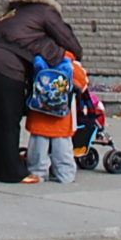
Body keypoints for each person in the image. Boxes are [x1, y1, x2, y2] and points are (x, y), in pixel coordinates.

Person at [0, 0, 81, 183]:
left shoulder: (11, 14)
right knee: (9, 120)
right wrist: (76, 56)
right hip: (6, 67)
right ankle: (13, 172)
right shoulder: (45, 11)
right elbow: (66, 38)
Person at [21, 46, 86, 183]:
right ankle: (65, 174)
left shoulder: (37, 58)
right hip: (61, 114)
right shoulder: (70, 62)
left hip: (39, 112)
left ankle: (37, 172)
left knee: (38, 145)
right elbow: (83, 83)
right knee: (62, 147)